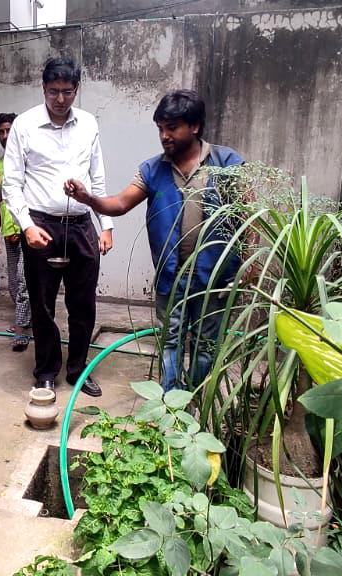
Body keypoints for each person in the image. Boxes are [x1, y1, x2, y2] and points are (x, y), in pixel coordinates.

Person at [64, 90, 244, 393]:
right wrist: (88, 198)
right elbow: (120, 204)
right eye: (160, 128)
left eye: (172, 128)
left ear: (195, 126)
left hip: (214, 277)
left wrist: (248, 269)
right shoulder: (152, 169)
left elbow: (247, 214)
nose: (164, 136)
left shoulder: (227, 163)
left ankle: (197, 399)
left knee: (206, 344)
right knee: (170, 339)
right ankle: (171, 402)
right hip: (171, 277)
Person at [1, 56, 114, 398]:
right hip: (41, 228)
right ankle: (46, 371)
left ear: (76, 89)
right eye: (53, 92)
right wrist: (26, 226)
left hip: (81, 226)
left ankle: (78, 370)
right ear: (43, 88)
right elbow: (12, 182)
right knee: (42, 303)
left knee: (83, 304)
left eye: (67, 91)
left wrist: (105, 225)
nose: (60, 99)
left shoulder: (89, 124)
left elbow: (98, 175)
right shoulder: (24, 124)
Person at [0, 112, 31, 352]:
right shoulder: (0, 165)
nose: (5, 136)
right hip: (8, 229)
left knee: (24, 278)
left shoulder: (28, 160)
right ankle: (24, 319)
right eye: (1, 132)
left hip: (27, 228)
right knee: (14, 281)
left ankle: (22, 329)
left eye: (8, 130)